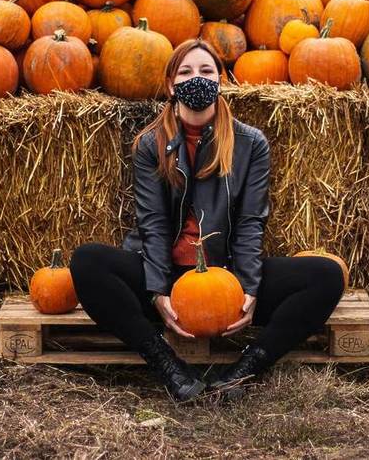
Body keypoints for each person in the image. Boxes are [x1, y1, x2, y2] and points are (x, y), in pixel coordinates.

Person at [70, 39, 345, 402]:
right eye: (185, 72)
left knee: (325, 276)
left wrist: (247, 288)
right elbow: (152, 224)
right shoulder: (152, 144)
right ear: (171, 85)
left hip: (224, 275)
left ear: (220, 80)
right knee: (88, 261)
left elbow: (250, 221)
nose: (195, 79)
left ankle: (243, 371)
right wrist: (157, 293)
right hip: (167, 275)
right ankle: (167, 365)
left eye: (205, 71)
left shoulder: (251, 143)